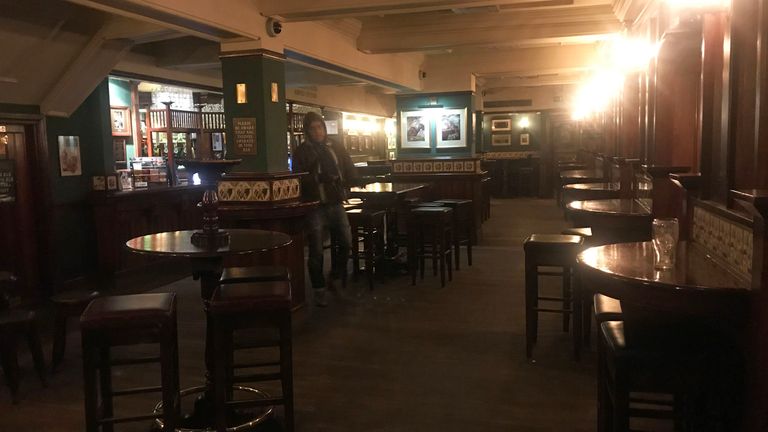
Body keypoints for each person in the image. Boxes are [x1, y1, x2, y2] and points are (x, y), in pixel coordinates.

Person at [292, 112, 357, 307]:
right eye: (313, 128)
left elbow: (348, 166)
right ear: (307, 131)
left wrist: (349, 182)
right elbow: (297, 178)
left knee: (346, 242)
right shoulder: (302, 152)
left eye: (320, 127)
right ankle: (319, 289)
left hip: (336, 201)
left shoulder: (335, 146)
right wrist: (319, 178)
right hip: (315, 205)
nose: (317, 131)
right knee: (317, 250)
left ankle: (334, 277)